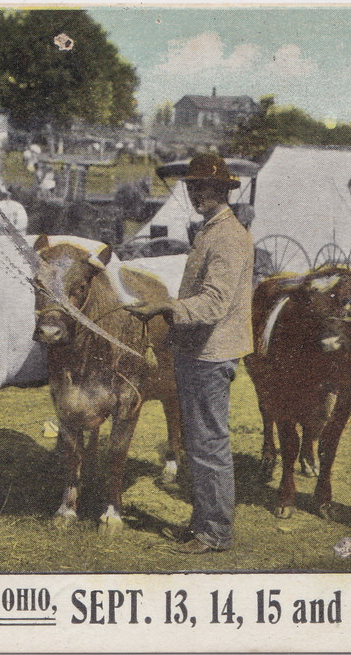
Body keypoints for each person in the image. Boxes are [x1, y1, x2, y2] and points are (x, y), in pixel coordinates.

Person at [125, 153, 254, 554]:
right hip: (198, 350)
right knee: (199, 444)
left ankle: (215, 532)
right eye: (193, 186)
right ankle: (204, 524)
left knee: (209, 444)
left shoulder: (228, 237)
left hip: (211, 355)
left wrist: (166, 308)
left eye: (206, 187)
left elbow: (214, 304)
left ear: (224, 190)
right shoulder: (211, 232)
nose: (198, 193)